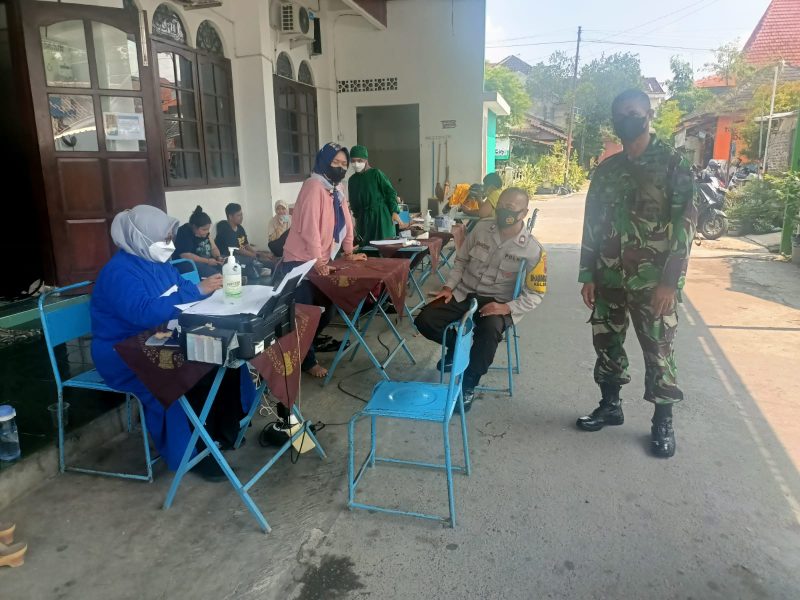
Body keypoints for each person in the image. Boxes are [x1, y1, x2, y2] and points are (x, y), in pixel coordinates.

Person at [90, 205, 255, 481]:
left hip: (159, 335)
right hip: (123, 350)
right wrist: (196, 293)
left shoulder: (159, 263)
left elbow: (183, 288)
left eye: (170, 238)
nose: (169, 244)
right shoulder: (118, 272)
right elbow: (142, 312)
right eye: (164, 239)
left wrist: (206, 288)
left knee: (220, 357)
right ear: (140, 238)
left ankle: (223, 430)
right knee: (187, 372)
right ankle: (195, 451)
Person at [576, 89, 697, 459]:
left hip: (652, 281)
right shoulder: (607, 170)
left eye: (632, 111)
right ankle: (610, 405)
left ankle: (662, 421)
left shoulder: (673, 163)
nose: (625, 118)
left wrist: (669, 282)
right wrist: (588, 273)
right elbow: (592, 223)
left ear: (647, 115)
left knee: (658, 350)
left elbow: (685, 226)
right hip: (609, 275)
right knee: (607, 343)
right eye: (619, 113)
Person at [415, 187, 546, 412]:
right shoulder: (482, 229)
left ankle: (468, 384)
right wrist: (448, 287)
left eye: (511, 208)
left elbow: (536, 293)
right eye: (502, 205)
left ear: (523, 213)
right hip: (465, 292)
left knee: (489, 333)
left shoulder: (533, 249)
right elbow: (461, 261)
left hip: (497, 302)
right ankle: (457, 348)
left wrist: (507, 307)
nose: (505, 210)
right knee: (425, 319)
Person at [276, 142, 367, 378]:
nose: (340, 168)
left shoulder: (336, 189)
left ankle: (304, 348)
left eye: (343, 164)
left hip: (320, 261)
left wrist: (348, 252)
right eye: (334, 163)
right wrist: (318, 261)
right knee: (305, 314)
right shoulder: (313, 186)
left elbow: (346, 221)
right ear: (323, 162)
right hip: (299, 262)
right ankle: (306, 361)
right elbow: (309, 230)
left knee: (327, 310)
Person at [347, 145, 406, 245]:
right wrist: (356, 219)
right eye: (353, 161)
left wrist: (394, 211)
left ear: (366, 160)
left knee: (384, 246)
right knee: (366, 248)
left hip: (381, 216)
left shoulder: (376, 174)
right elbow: (354, 202)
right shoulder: (352, 180)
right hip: (363, 219)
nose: (356, 164)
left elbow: (390, 192)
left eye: (359, 160)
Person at [215, 203, 270, 279]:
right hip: (228, 257)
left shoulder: (240, 228)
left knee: (265, 258)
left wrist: (257, 253)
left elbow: (246, 244)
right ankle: (256, 269)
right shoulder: (225, 230)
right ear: (230, 217)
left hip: (241, 255)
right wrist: (255, 256)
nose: (241, 217)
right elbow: (238, 250)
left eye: (241, 215)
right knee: (251, 260)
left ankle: (259, 268)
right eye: (238, 215)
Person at [173, 206, 224, 278]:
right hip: (189, 264)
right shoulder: (184, 232)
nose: (207, 232)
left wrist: (218, 257)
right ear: (194, 227)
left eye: (208, 229)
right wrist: (207, 261)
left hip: (207, 261)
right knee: (216, 274)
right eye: (204, 229)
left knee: (227, 267)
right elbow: (185, 255)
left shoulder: (206, 234)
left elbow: (214, 248)